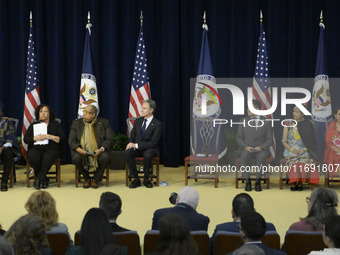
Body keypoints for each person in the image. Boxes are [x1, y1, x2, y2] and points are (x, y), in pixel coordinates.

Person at [210, 193, 276, 251]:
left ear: (232, 213)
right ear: (254, 211)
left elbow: (210, 250)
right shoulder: (270, 228)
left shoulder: (221, 229)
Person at [69, 105, 113, 189]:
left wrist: (101, 149)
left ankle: (96, 179)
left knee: (105, 157)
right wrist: (79, 149)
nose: (84, 114)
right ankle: (86, 179)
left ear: (93, 115)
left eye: (87, 112)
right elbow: (71, 140)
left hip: (98, 150)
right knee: (76, 158)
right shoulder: (76, 123)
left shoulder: (104, 123)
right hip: (81, 150)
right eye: (84, 112)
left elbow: (109, 139)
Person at [24, 104, 65, 189]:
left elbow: (62, 139)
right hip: (36, 148)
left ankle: (38, 179)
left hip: (52, 148)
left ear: (50, 113)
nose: (43, 113)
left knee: (47, 157)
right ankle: (44, 178)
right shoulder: (33, 125)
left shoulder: (55, 124)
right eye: (41, 111)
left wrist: (51, 137)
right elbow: (26, 139)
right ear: (38, 114)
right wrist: (34, 138)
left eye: (45, 111)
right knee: (32, 156)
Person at [237, 99, 273, 192]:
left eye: (249, 108)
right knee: (244, 156)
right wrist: (245, 147)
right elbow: (239, 138)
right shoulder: (243, 120)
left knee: (261, 157)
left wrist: (261, 147)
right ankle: (248, 182)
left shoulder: (266, 121)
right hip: (247, 149)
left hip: (261, 150)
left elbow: (270, 140)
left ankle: (258, 182)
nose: (247, 110)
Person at [125, 99, 162, 189]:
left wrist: (136, 145)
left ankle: (146, 179)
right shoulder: (138, 121)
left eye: (144, 108)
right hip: (137, 148)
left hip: (150, 148)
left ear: (151, 110)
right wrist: (130, 143)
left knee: (148, 155)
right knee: (127, 153)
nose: (141, 110)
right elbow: (132, 136)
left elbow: (153, 142)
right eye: (142, 108)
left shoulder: (157, 124)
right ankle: (136, 179)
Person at [282, 106, 319, 191]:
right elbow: (284, 141)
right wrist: (292, 150)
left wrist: (304, 150)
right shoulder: (288, 123)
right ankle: (294, 183)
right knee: (294, 162)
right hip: (290, 150)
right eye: (294, 111)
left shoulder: (307, 124)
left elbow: (311, 142)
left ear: (302, 114)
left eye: (297, 112)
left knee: (303, 162)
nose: (294, 113)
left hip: (304, 150)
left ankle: (300, 182)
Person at [0, 101, 20, 191]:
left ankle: (4, 182)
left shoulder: (7, 123)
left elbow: (11, 138)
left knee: (8, 153)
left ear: (1, 113)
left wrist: (2, 147)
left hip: (4, 148)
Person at [324, 106, 340, 179]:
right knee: (336, 155)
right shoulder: (332, 125)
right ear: (335, 115)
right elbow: (328, 141)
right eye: (339, 114)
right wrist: (337, 149)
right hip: (332, 149)